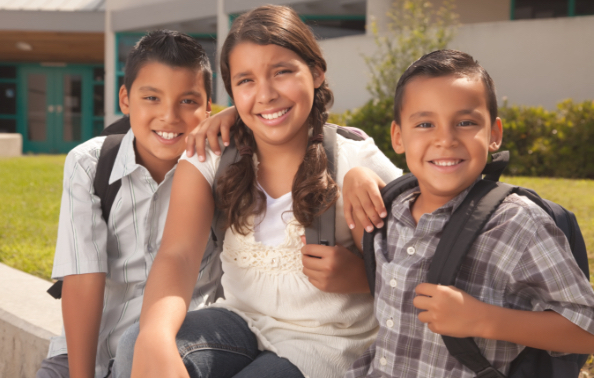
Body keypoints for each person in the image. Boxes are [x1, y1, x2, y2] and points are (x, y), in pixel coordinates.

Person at [113, 5, 401, 378]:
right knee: (138, 344)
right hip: (240, 322)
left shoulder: (353, 160)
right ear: (231, 92)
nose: (265, 94)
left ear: (316, 72)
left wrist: (363, 277)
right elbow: (178, 255)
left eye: (282, 72)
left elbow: (419, 264)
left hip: (327, 342)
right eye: (246, 80)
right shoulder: (212, 155)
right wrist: (154, 335)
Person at [345, 49, 594, 378]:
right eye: (424, 123)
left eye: (465, 123)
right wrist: (354, 176)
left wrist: (482, 319)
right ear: (398, 137)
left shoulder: (517, 223)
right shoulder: (394, 206)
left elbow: (587, 329)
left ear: (493, 134)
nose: (445, 139)